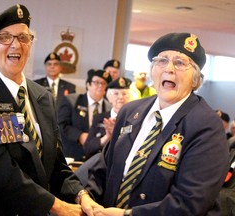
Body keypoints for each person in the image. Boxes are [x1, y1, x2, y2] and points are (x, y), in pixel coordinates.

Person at [0, 4, 98, 215]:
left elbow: (55, 163)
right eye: (4, 38)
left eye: (23, 38)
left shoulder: (43, 97)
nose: (15, 45)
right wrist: (57, 206)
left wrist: (81, 195)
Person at [85, 32, 229, 215]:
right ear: (153, 70)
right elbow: (103, 169)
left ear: (195, 79)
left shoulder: (206, 126)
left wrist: (126, 215)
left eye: (180, 63)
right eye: (162, 60)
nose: (169, 69)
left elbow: (190, 202)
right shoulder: (130, 112)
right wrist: (87, 197)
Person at [58, 69, 112, 161]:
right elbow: (61, 124)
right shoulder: (72, 101)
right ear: (88, 85)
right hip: (72, 155)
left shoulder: (109, 108)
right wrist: (79, 135)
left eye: (103, 84)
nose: (100, 86)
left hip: (97, 158)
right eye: (96, 82)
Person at [83, 77, 132, 159]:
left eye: (124, 94)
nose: (120, 97)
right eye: (116, 94)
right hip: (101, 164)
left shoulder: (135, 119)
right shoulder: (99, 118)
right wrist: (107, 137)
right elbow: (87, 149)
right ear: (109, 98)